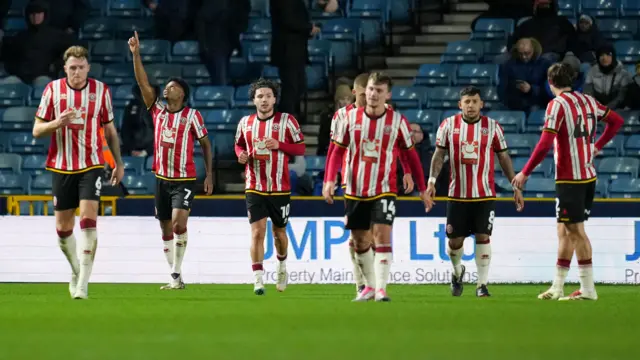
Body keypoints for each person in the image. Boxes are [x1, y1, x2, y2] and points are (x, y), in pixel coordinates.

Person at [513, 63, 624, 301]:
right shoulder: (588, 101)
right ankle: (557, 287)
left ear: (550, 82)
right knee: (564, 230)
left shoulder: (557, 105)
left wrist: (525, 172)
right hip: (586, 175)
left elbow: (544, 143)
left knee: (575, 231)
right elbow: (616, 121)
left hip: (570, 179)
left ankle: (588, 290)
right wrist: (597, 146)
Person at [323, 72, 429, 302]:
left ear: (387, 95)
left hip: (384, 187)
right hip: (353, 187)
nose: (372, 94)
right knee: (359, 240)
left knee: (381, 235)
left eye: (378, 90)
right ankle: (367, 286)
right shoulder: (347, 118)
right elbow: (336, 151)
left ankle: (381, 289)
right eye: (370, 89)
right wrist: (329, 179)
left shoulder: (397, 121)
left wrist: (421, 186)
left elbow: (409, 155)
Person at [32, 45, 125, 300]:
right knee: (63, 230)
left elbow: (110, 131)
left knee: (88, 218)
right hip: (61, 165)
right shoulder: (53, 90)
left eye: (81, 68)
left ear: (88, 68)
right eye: (72, 68)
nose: (76, 73)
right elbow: (37, 130)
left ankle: (83, 284)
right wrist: (56, 123)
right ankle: (76, 270)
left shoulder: (100, 91)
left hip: (92, 164)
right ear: (65, 68)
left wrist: (118, 162)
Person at [128, 31, 214, 290]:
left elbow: (206, 144)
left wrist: (209, 174)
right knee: (165, 229)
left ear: (182, 94)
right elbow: (143, 84)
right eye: (166, 86)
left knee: (178, 223)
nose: (167, 88)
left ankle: (176, 274)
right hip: (161, 179)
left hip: (184, 179)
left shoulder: (192, 116)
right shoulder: (157, 111)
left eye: (173, 86)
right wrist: (136, 55)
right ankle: (174, 275)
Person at [426, 86, 524, 298]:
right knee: (455, 243)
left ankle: (482, 284)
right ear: (460, 104)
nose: (470, 105)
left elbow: (503, 157)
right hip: (457, 195)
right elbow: (438, 155)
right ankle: (457, 271)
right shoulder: (448, 125)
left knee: (483, 236)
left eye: (474, 101)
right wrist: (431, 181)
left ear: (482, 104)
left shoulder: (493, 127)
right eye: (467, 102)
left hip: (485, 194)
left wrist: (514, 185)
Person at [234, 78, 306, 295]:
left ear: (275, 99)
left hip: (280, 187)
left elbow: (301, 148)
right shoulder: (245, 123)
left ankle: (282, 266)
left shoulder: (287, 121)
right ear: (253, 100)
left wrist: (280, 145)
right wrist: (241, 156)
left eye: (267, 95)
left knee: (279, 233)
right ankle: (258, 279)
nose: (264, 100)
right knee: (257, 232)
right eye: (259, 96)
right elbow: (238, 146)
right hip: (254, 185)